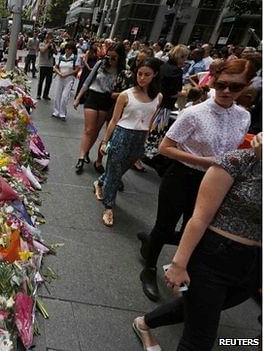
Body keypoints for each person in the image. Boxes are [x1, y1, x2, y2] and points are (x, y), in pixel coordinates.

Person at [138, 59, 257, 302]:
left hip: (217, 184)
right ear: (212, 80)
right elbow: (164, 148)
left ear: (245, 87)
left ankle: (173, 262)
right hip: (182, 176)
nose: (226, 91)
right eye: (221, 84)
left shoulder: (243, 117)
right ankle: (149, 268)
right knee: (165, 225)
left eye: (234, 87)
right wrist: (207, 161)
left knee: (195, 230)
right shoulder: (194, 113)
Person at [134, 133, 261, 351]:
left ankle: (144, 323)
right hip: (215, 256)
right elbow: (199, 217)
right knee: (200, 340)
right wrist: (178, 264)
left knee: (201, 307)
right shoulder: (236, 162)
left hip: (254, 265)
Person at [93, 58, 163, 226]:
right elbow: (114, 120)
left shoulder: (158, 96)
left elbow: (151, 120)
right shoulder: (126, 95)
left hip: (139, 138)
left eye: (147, 74)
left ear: (155, 75)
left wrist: (146, 139)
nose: (142, 78)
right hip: (121, 134)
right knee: (116, 172)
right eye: (140, 74)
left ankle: (100, 181)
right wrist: (104, 141)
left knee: (121, 170)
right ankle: (109, 207)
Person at [72, 43, 126, 174]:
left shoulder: (122, 70)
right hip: (93, 95)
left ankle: (86, 151)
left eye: (114, 57)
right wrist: (78, 97)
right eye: (109, 56)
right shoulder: (101, 64)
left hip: (107, 99)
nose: (111, 60)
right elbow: (88, 80)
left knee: (96, 130)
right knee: (89, 129)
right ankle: (81, 157)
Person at [144, 45, 190, 163]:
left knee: (147, 127)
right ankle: (145, 155)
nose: (185, 61)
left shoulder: (162, 66)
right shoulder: (176, 72)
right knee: (155, 131)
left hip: (153, 101)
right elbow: (173, 93)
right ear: (181, 57)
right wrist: (184, 94)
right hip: (165, 106)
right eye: (185, 58)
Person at [52, 43, 81, 121]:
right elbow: (56, 67)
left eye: (70, 49)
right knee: (57, 95)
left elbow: (77, 69)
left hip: (69, 79)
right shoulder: (61, 57)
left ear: (72, 50)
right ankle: (56, 111)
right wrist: (59, 73)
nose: (68, 50)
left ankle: (62, 113)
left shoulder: (75, 58)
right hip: (60, 78)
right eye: (67, 49)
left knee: (65, 96)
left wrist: (67, 74)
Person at [36, 34, 56, 101]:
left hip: (50, 65)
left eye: (51, 38)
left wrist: (53, 47)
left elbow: (56, 53)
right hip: (43, 65)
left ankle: (45, 94)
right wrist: (48, 44)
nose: (50, 39)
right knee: (41, 81)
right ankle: (38, 94)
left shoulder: (52, 45)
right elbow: (42, 51)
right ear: (46, 38)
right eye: (49, 38)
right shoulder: (42, 44)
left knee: (49, 81)